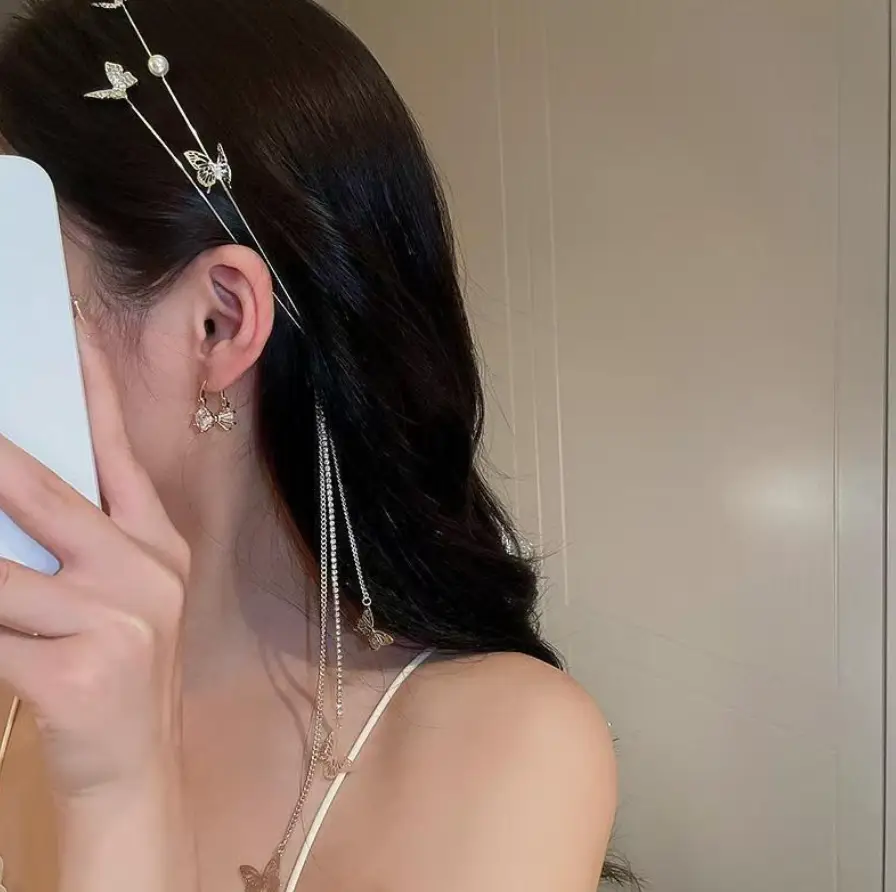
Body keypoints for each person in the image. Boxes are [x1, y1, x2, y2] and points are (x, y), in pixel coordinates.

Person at [0, 1, 627, 890]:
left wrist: (119, 795)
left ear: (219, 322)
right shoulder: (17, 673)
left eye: (12, 286)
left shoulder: (507, 748)